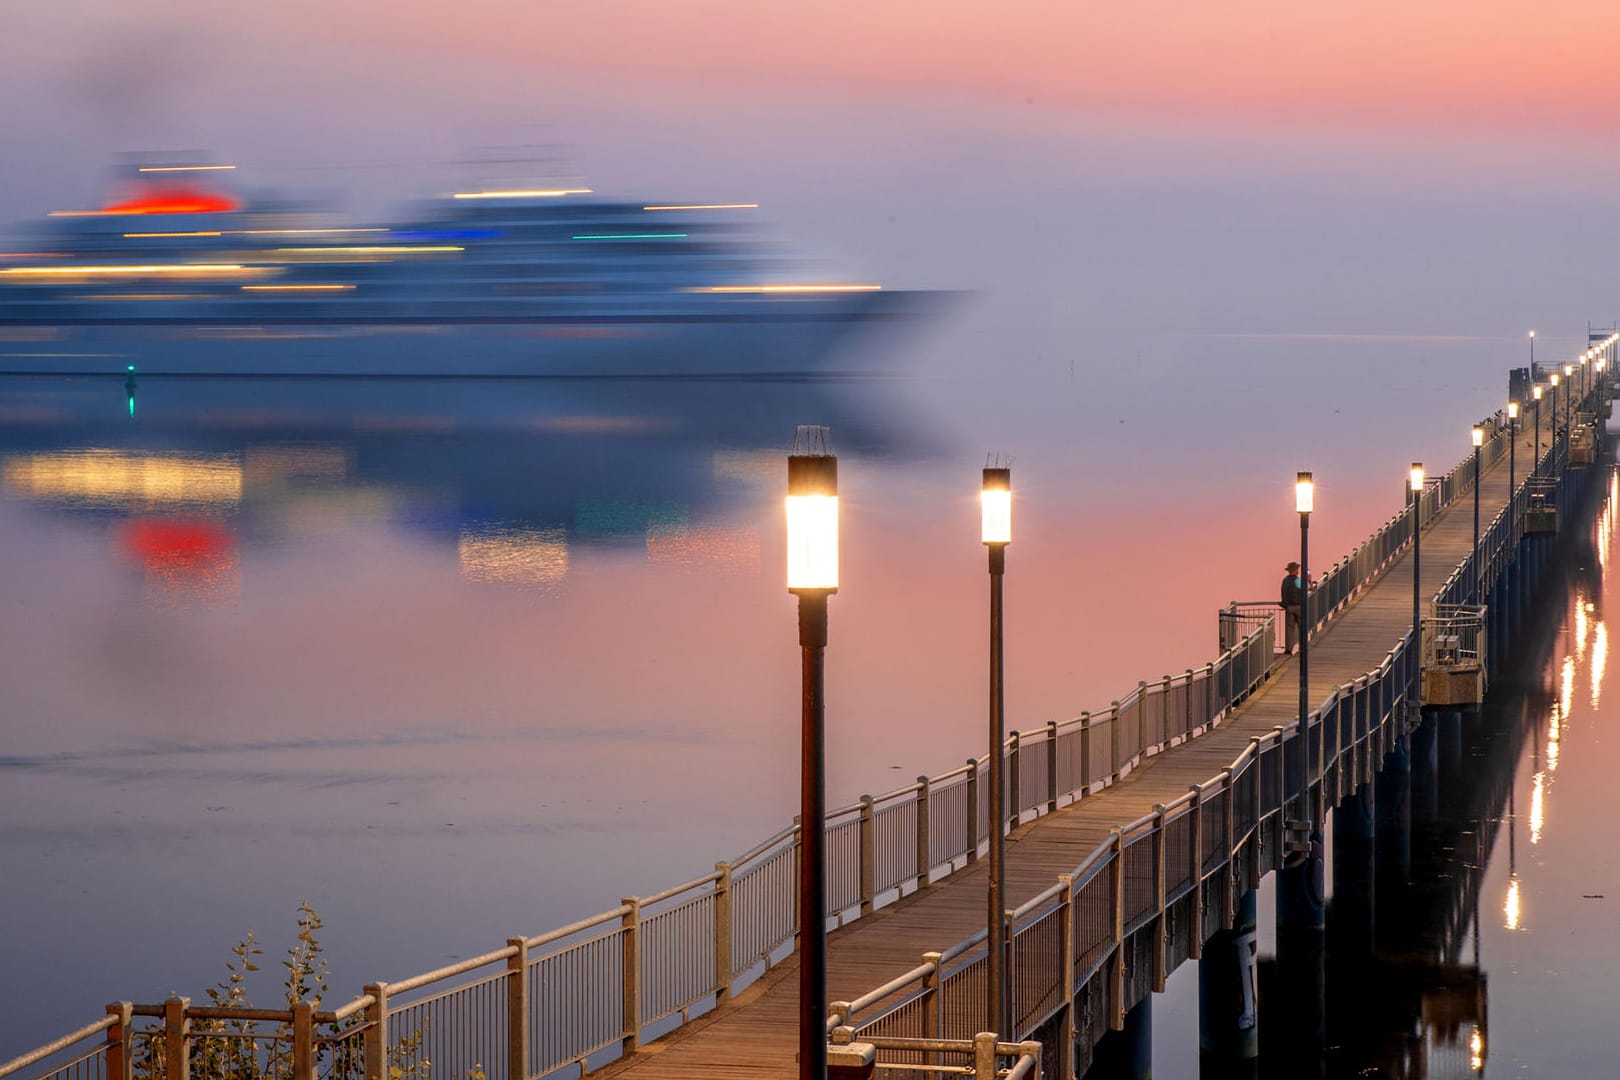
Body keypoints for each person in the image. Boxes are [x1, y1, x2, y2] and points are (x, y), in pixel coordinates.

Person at [1280, 561, 1304, 655]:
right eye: (1297, 569)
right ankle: (1302, 647)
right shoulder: (1298, 581)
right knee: (1301, 627)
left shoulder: (1285, 580)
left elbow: (1282, 593)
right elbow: (1309, 589)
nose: (1298, 570)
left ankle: (1288, 649)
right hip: (1298, 606)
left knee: (1290, 628)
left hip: (1288, 607)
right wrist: (1309, 580)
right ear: (1295, 570)